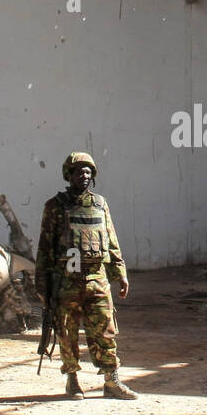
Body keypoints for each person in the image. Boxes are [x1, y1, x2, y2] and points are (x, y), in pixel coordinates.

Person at [34, 152, 137, 400]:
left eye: (89, 171)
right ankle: (72, 380)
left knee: (106, 331)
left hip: (97, 279)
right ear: (68, 175)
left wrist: (120, 274)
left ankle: (111, 381)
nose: (85, 176)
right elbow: (45, 249)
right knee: (67, 333)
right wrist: (42, 288)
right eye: (79, 171)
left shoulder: (100, 204)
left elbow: (111, 242)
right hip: (66, 281)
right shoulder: (55, 206)